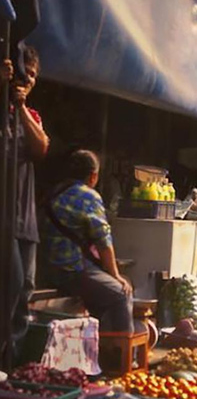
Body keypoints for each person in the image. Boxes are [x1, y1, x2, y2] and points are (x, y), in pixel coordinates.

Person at [41, 150, 133, 333]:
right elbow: (103, 240)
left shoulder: (53, 193)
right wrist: (115, 275)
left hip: (46, 269)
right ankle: (122, 356)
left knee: (104, 291)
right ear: (93, 176)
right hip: (71, 271)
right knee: (121, 293)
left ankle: (99, 346)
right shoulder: (88, 196)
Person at [4, 48, 49, 356]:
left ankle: (13, 360)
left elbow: (41, 148)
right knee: (10, 283)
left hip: (25, 221)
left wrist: (20, 106)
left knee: (25, 288)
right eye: (22, 73)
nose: (26, 79)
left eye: (32, 74)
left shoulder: (30, 115)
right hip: (4, 218)